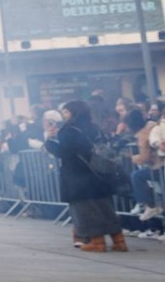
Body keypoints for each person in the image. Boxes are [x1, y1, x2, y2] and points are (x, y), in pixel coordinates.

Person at [44, 100, 126, 251]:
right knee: (106, 208)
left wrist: (49, 143)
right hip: (100, 173)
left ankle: (97, 242)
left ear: (75, 112)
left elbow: (65, 153)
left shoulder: (69, 130)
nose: (64, 115)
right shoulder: (94, 127)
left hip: (79, 176)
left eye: (66, 112)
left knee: (86, 210)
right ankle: (119, 241)